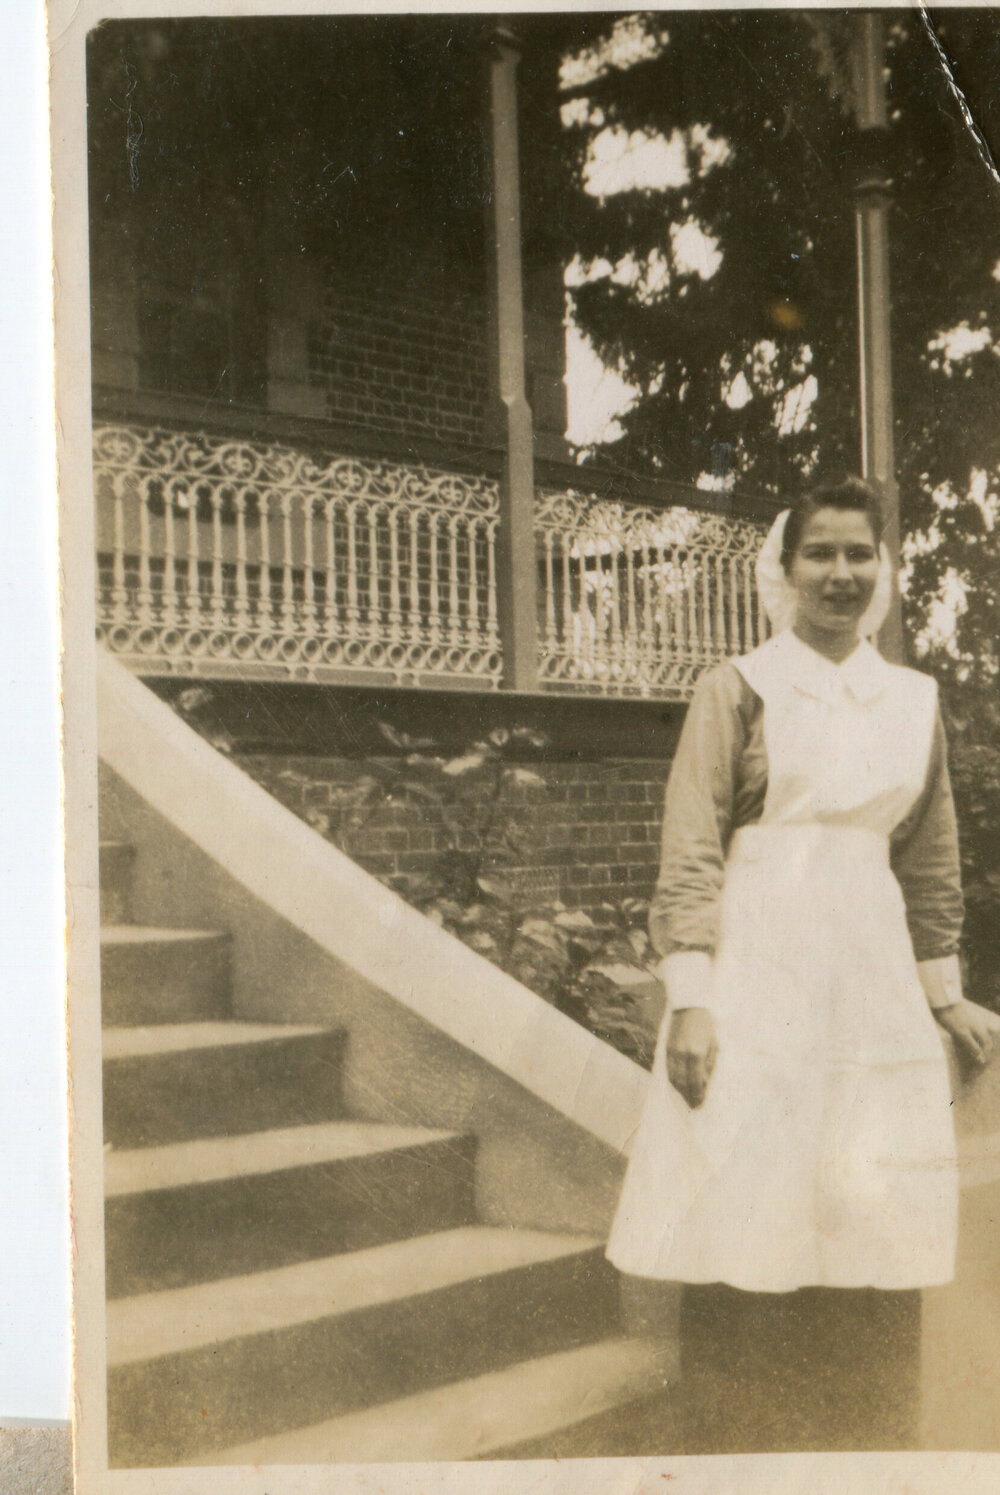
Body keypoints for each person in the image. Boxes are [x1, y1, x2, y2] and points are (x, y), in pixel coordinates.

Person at [606, 475, 999, 1453]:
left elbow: (929, 857)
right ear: (782, 569)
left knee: (865, 1197)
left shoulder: (910, 699)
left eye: (857, 553)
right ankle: (736, 1449)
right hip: (755, 968)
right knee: (748, 1191)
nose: (839, 573)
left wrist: (942, 995)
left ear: (881, 569)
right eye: (818, 553)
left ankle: (869, 1448)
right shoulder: (737, 686)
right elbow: (690, 849)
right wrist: (691, 998)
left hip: (866, 976)